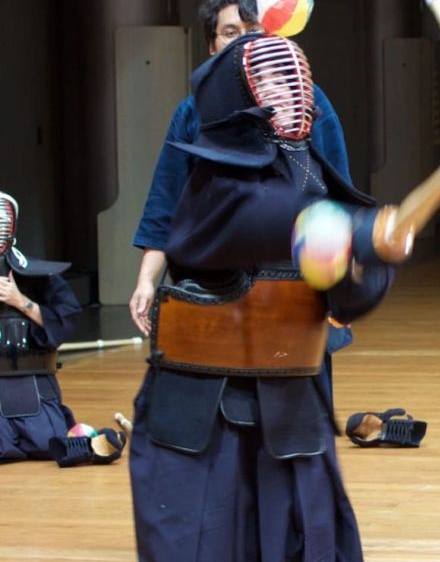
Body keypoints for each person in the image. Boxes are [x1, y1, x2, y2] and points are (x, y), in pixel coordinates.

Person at [128, 30, 393, 560]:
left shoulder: (316, 173)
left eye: (293, 74)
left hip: (292, 397)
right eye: (270, 75)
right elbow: (256, 221)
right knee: (203, 540)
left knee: (304, 538)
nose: (288, 87)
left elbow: (347, 299)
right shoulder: (214, 178)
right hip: (205, 407)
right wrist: (347, 230)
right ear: (236, 91)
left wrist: (371, 261)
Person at [130, 0, 353, 400]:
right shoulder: (191, 111)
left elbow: (338, 198)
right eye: (230, 32)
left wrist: (342, 281)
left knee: (296, 428)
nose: (243, 41)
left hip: (293, 288)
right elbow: (166, 201)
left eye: (253, 30)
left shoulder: (310, 100)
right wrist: (146, 281)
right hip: (212, 290)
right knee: (211, 421)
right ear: (212, 46)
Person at [0, 191, 81, 461]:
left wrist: (20, 301)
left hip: (30, 382)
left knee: (46, 442)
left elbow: (66, 317)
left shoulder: (36, 275)